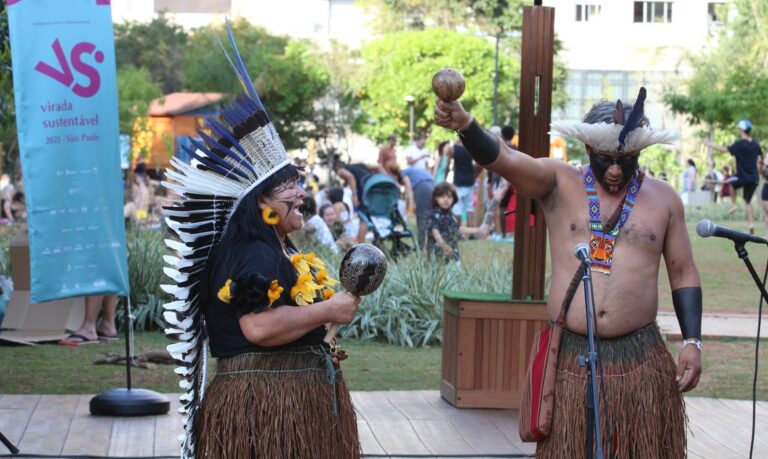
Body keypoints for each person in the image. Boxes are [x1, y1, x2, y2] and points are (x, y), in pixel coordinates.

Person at [435, 88, 701, 458]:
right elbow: (505, 159)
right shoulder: (558, 182)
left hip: (640, 359)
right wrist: (465, 124)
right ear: (589, 148)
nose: (613, 169)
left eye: (625, 160)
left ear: (639, 151)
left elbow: (683, 271)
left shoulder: (664, 198)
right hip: (573, 360)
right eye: (605, 158)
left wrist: (693, 340)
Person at [162, 28, 360, 458]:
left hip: (284, 397)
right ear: (263, 204)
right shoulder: (253, 252)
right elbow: (258, 327)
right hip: (263, 404)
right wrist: (328, 309)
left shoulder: (272, 248)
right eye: (289, 186)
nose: (301, 193)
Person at [705, 119, 764, 234]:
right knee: (748, 201)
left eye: (739, 128)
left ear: (742, 130)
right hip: (754, 178)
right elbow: (761, 157)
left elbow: (723, 150)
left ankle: (734, 205)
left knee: (730, 182)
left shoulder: (739, 144)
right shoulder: (756, 144)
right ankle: (751, 224)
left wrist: (709, 144)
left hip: (742, 177)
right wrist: (761, 166)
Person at [400, 163, 436, 247]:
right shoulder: (419, 170)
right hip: (434, 186)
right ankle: (432, 246)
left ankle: (421, 247)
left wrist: (410, 206)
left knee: (422, 219)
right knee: (433, 218)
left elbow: (409, 188)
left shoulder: (403, 172)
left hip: (422, 188)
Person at [452, 138, 477, 225]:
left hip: (458, 179)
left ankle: (459, 229)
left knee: (457, 205)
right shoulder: (471, 148)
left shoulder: (454, 148)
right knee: (469, 206)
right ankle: (470, 229)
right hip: (470, 178)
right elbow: (478, 164)